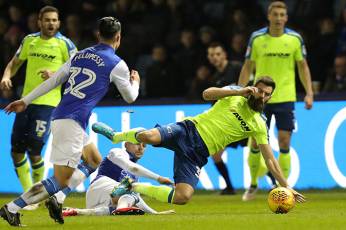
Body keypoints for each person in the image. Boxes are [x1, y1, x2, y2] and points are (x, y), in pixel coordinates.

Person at [1, 16, 140, 226]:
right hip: (72, 122)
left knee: (93, 159)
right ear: (118, 37)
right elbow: (130, 97)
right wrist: (135, 82)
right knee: (60, 179)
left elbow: (56, 79)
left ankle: (58, 198)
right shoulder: (117, 64)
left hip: (64, 116)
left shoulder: (81, 54)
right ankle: (12, 208)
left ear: (98, 35)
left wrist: (26, 100)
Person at [93, 77, 306, 206]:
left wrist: (287, 187)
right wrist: (240, 90)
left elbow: (270, 159)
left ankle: (132, 187)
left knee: (183, 197)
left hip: (197, 154)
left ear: (270, 98)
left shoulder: (259, 123)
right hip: (187, 129)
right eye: (259, 90)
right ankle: (116, 136)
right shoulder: (235, 94)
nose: (262, 96)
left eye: (267, 94)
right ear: (253, 87)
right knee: (148, 136)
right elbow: (206, 94)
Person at [237, 1, 314, 201]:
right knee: (255, 141)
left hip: (286, 97)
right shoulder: (257, 38)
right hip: (259, 98)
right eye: (276, 14)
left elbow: (303, 66)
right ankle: (253, 184)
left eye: (282, 15)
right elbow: (247, 66)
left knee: (284, 141)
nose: (279, 18)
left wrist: (309, 92)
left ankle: (284, 189)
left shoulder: (295, 39)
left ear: (286, 18)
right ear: (269, 17)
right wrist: (238, 92)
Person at [62, 141, 174, 216]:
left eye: (144, 146)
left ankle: (76, 212)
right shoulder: (117, 152)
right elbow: (132, 167)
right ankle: (121, 209)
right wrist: (158, 178)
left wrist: (155, 214)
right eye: (137, 144)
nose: (140, 148)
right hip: (99, 187)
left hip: (103, 202)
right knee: (130, 189)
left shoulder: (135, 177)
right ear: (126, 144)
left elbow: (137, 199)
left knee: (130, 198)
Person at [206, 42, 247, 195]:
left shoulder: (237, 68)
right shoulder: (215, 77)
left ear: (224, 55)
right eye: (211, 55)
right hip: (226, 122)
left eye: (217, 54)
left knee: (258, 150)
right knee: (215, 154)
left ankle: (276, 183)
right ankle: (229, 187)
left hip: (243, 118)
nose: (214, 58)